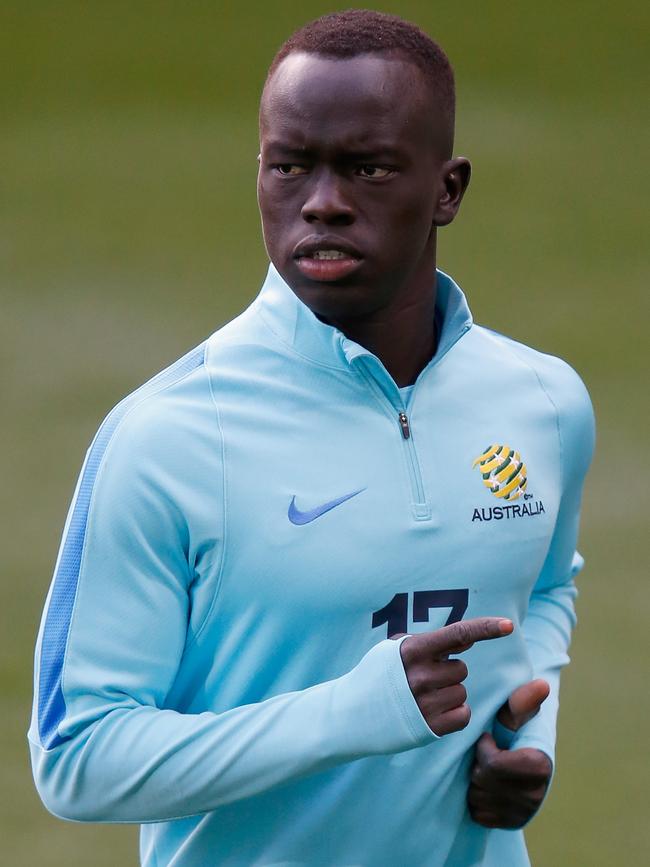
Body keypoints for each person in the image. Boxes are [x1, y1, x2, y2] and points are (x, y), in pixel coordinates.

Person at [29, 10, 595, 866]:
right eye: (289, 166)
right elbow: (76, 758)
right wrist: (348, 714)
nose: (322, 203)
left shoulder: (545, 403)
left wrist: (526, 730)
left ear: (448, 190)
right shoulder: (170, 439)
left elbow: (544, 589)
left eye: (366, 169)